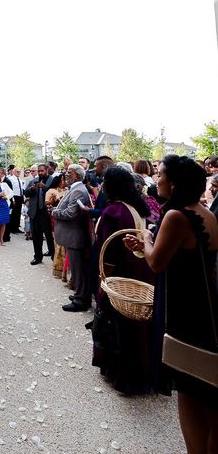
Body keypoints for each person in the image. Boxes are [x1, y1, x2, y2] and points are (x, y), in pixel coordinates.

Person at [124, 155, 218, 453]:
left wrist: (147, 239)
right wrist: (150, 243)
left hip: (186, 314)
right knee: (209, 396)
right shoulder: (205, 212)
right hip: (207, 307)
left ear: (175, 182)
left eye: (161, 174)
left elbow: (156, 262)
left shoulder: (176, 216)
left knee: (189, 393)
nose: (157, 178)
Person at [91, 167, 154, 395]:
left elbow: (109, 251)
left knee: (116, 323)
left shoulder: (113, 212)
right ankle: (141, 371)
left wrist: (102, 279)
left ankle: (122, 374)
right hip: (138, 268)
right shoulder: (134, 206)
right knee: (136, 326)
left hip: (118, 273)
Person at [51, 164, 93, 312]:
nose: (66, 174)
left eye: (69, 172)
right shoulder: (76, 189)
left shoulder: (79, 190)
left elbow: (70, 213)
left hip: (75, 236)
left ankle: (81, 299)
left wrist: (54, 212)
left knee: (79, 270)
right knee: (77, 269)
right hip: (73, 236)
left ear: (77, 175)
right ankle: (80, 294)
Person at [24, 163, 54, 265]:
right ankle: (38, 257)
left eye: (42, 171)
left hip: (47, 213)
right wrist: (32, 189)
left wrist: (44, 187)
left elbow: (54, 192)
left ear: (47, 170)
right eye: (39, 171)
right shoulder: (33, 181)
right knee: (36, 237)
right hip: (35, 212)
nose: (40, 173)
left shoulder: (53, 180)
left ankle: (54, 256)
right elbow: (25, 193)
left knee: (49, 236)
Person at [45, 174, 67, 278]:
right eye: (63, 180)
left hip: (67, 219)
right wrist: (55, 201)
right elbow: (47, 204)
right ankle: (58, 266)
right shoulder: (51, 191)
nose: (65, 181)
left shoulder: (69, 190)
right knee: (57, 242)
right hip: (55, 218)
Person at [0, 171, 12, 245]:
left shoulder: (4, 184)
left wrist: (6, 197)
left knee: (3, 223)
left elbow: (11, 193)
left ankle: (1, 239)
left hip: (4, 205)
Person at [7, 166, 25, 234]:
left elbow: (21, 189)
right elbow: (11, 190)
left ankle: (17, 227)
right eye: (17, 172)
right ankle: (13, 228)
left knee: (18, 213)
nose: (19, 173)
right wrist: (13, 199)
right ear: (14, 172)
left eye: (19, 172)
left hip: (20, 197)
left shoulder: (19, 179)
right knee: (14, 213)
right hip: (14, 197)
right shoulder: (11, 179)